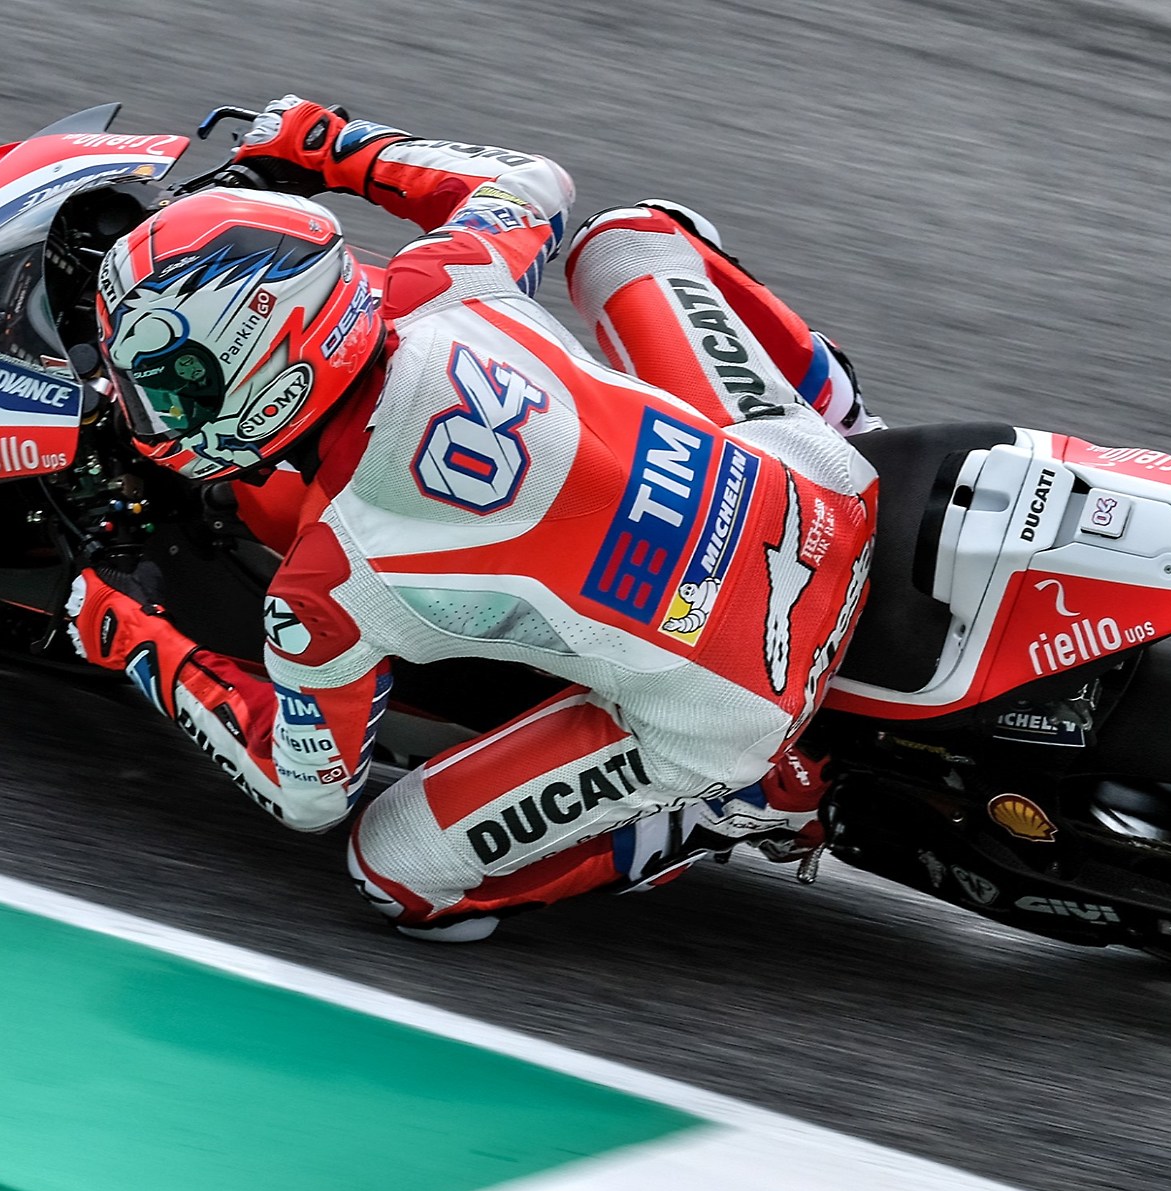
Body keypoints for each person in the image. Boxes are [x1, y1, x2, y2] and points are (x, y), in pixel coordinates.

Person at [67, 95, 884, 941]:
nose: (147, 410)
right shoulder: (441, 284)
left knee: (393, 873)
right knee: (630, 239)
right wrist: (329, 146)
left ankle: (734, 803)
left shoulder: (328, 584)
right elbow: (532, 183)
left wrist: (127, 634)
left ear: (274, 369)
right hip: (824, 490)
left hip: (746, 701)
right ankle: (847, 417)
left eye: (176, 385)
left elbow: (306, 793)